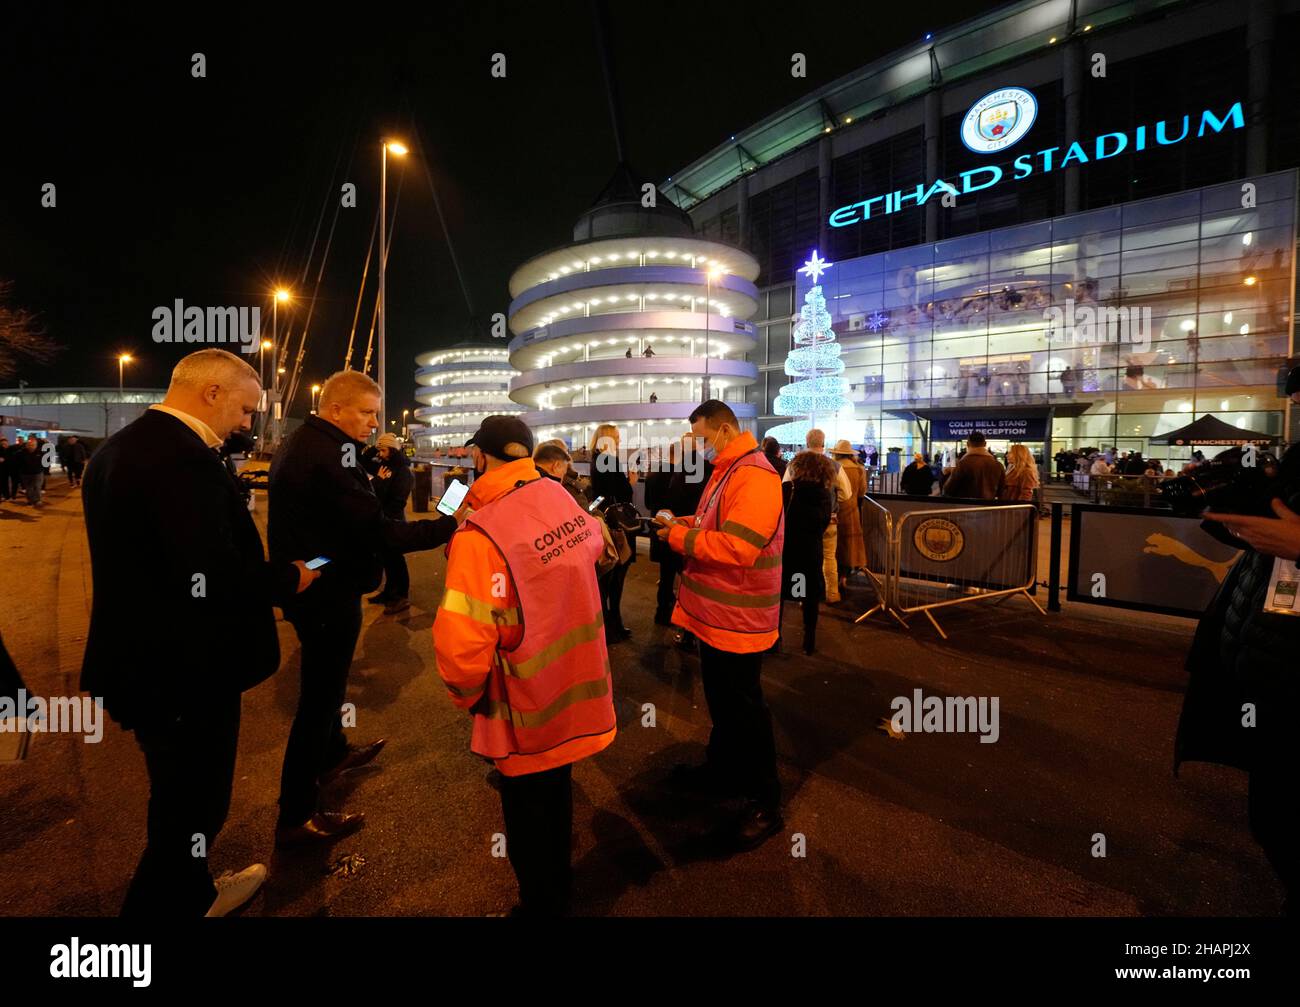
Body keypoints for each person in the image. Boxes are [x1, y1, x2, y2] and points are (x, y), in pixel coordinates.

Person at [80, 348, 320, 917]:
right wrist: (290, 577)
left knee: (176, 795)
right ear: (211, 392)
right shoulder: (180, 460)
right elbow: (210, 574)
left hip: (143, 660)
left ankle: (190, 891)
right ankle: (172, 905)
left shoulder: (121, 448)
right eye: (243, 409)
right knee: (193, 803)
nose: (246, 423)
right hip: (184, 670)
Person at [434, 415, 615, 916]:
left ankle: (541, 905)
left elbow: (462, 646)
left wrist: (467, 696)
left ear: (478, 456)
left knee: (528, 817)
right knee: (556, 798)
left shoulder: (480, 534)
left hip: (521, 703)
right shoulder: (559, 496)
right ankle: (556, 890)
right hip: (576, 689)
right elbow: (593, 548)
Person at [268, 370, 457, 848]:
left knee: (326, 690)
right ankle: (296, 812)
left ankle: (332, 755)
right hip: (326, 592)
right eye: (367, 413)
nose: (375, 423)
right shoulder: (328, 456)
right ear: (336, 409)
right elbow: (380, 531)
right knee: (319, 698)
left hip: (319, 583)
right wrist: (447, 526)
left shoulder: (310, 441)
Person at [1178, 370, 1300, 914]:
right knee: (1271, 816)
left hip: (1283, 660)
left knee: (1282, 821)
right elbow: (1273, 531)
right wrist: (1228, 515)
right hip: (1266, 655)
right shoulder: (1297, 460)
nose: (1295, 401)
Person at [654, 400, 785, 851]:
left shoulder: (754, 474)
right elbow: (716, 524)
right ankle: (723, 771)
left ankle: (766, 801)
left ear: (725, 430)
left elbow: (739, 547)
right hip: (717, 618)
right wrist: (681, 523)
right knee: (725, 704)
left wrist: (678, 536)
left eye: (702, 437)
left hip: (739, 618)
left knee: (746, 710)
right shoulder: (728, 470)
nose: (698, 446)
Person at [783, 428, 852, 603]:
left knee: (802, 558)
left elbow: (785, 487)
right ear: (823, 443)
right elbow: (846, 493)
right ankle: (832, 594)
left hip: (801, 521)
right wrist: (834, 501)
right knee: (829, 557)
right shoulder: (834, 466)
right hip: (829, 519)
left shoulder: (795, 464)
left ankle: (800, 595)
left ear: (807, 443)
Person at [780, 449, 835, 655]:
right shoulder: (824, 494)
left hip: (787, 549)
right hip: (811, 550)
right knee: (809, 596)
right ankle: (808, 641)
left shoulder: (787, 489)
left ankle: (774, 637)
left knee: (781, 595)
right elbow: (823, 523)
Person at [588, 423, 638, 643]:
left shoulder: (595, 460)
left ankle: (608, 624)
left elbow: (600, 494)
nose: (619, 440)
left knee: (606, 579)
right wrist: (631, 481)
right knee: (617, 576)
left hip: (605, 521)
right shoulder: (610, 461)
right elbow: (623, 492)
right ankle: (613, 625)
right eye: (616, 437)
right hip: (618, 524)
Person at [366, 432, 415, 615]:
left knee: (396, 560)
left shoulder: (403, 471)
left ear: (393, 451)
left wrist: (383, 515)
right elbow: (364, 459)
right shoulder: (384, 466)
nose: (380, 454)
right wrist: (376, 445)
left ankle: (401, 596)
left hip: (392, 521)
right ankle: (388, 593)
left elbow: (398, 501)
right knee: (387, 559)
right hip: (383, 519)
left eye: (384, 450)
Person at [830, 439, 867, 589]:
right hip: (852, 510)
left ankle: (834, 577)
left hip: (836, 510)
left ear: (837, 454)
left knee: (835, 545)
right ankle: (845, 576)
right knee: (850, 545)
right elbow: (862, 491)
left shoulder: (834, 468)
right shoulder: (859, 468)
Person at [942, 432, 1005, 500]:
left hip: (966, 506)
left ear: (968, 444)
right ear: (985, 444)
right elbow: (1001, 491)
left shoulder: (962, 464)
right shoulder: (998, 465)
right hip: (988, 506)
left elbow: (947, 490)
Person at [17, 435, 48, 506]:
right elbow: (17, 462)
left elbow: (46, 462)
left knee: (37, 487)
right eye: (29, 445)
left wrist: (43, 469)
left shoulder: (40, 453)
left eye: (33, 445)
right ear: (26, 445)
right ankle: (30, 500)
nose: (31, 446)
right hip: (25, 474)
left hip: (37, 473)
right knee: (29, 488)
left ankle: (37, 500)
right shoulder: (21, 453)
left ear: (36, 445)